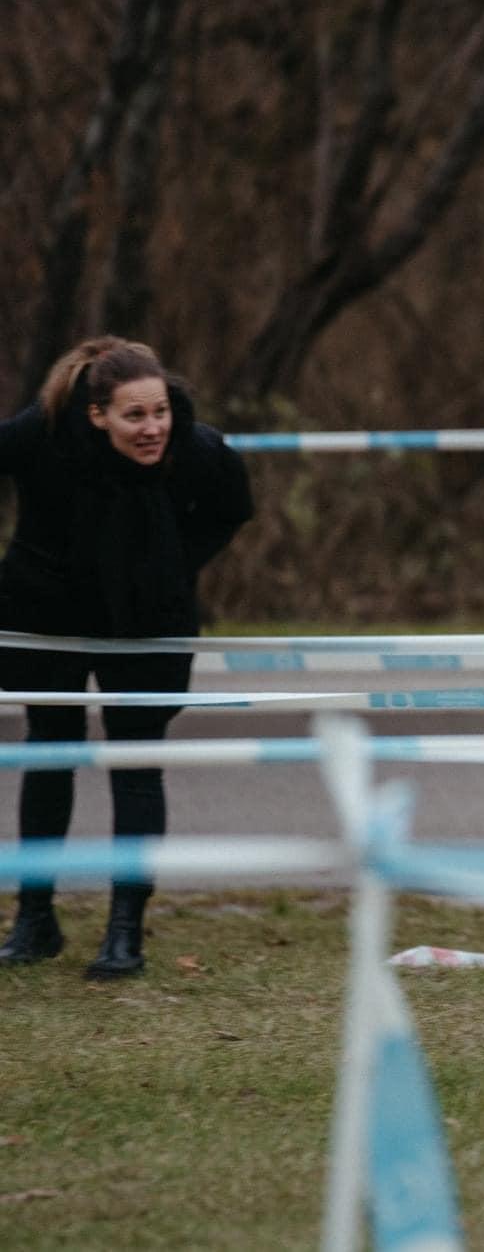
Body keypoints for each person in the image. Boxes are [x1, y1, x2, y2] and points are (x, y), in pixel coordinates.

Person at [0, 337, 253, 978]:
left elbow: (233, 507)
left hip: (148, 623)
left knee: (136, 764)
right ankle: (34, 920)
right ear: (97, 415)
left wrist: (172, 565)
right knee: (49, 753)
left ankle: (124, 933)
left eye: (159, 412)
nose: (152, 428)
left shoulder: (196, 449)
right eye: (134, 416)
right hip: (47, 619)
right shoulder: (43, 433)